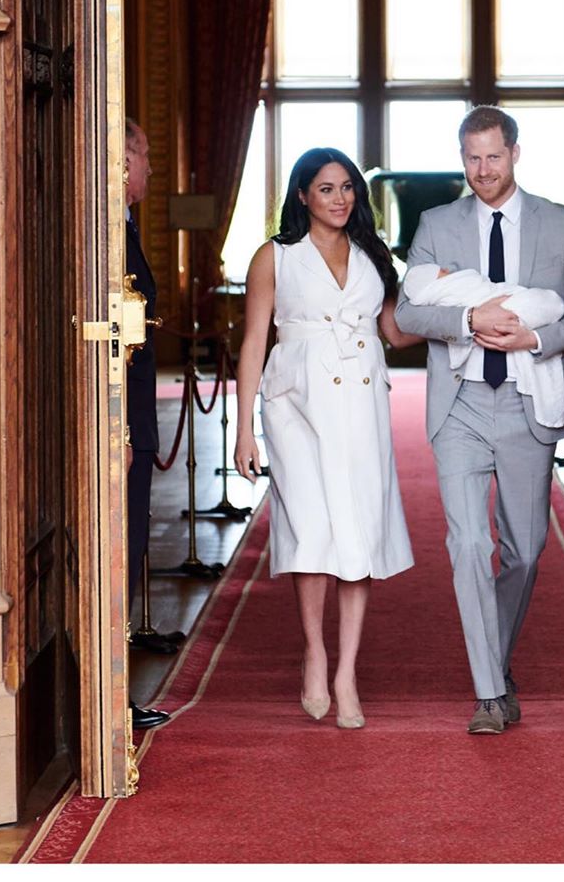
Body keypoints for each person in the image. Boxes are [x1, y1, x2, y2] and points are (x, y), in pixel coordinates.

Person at [394, 105, 564, 734]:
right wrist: (467, 321)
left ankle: (496, 655)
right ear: (461, 158)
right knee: (468, 544)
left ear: (515, 153)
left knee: (526, 548)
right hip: (459, 404)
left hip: (529, 403)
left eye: (492, 156)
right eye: (471, 158)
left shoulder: (561, 223)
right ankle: (491, 694)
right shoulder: (436, 224)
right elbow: (410, 314)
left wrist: (535, 340)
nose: (482, 169)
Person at [234, 147, 420, 729]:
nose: (340, 199)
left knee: (358, 530)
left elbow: (394, 330)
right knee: (311, 529)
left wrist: (460, 319)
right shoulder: (276, 258)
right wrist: (243, 429)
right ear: (301, 196)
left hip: (360, 401)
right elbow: (253, 343)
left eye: (347, 188)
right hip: (295, 403)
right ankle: (315, 651)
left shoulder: (373, 254)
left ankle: (347, 672)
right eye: (326, 189)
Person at [123, 118, 171, 731]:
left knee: (132, 549)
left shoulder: (126, 229)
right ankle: (107, 698)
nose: (151, 169)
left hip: (133, 422)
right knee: (121, 551)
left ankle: (113, 692)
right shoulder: (107, 233)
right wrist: (125, 434)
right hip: (122, 427)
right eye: (145, 155)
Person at [402, 263, 564, 428]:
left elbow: (481, 286)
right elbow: (405, 316)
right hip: (464, 393)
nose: (448, 271)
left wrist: (533, 339)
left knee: (547, 303)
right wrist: (474, 317)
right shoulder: (445, 291)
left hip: (508, 301)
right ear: (433, 286)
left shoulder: (462, 280)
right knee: (545, 304)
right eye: (442, 273)